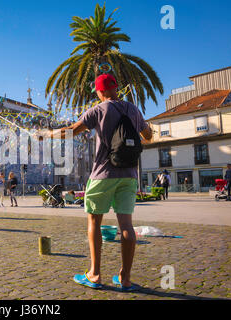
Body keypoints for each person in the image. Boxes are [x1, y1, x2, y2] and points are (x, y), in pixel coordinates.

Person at [36, 74, 152, 291]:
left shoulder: (98, 110)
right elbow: (148, 135)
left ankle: (95, 274)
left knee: (94, 223)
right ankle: (125, 278)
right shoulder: (134, 109)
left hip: (103, 174)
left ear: (99, 92)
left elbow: (69, 131)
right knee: (126, 225)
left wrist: (46, 134)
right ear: (116, 88)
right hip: (129, 175)